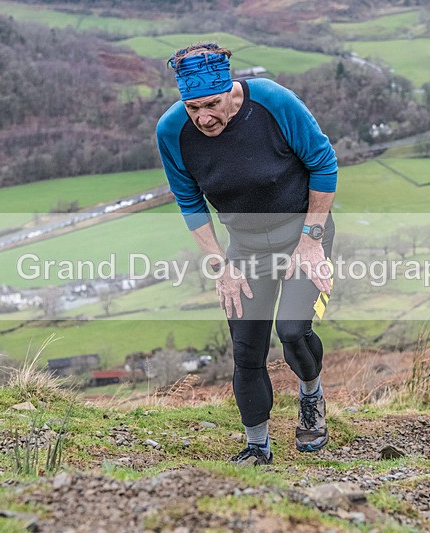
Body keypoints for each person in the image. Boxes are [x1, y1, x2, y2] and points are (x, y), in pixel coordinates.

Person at [156, 43, 337, 465]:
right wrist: (221, 265)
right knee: (246, 349)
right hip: (245, 248)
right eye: (192, 106)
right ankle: (258, 445)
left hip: (303, 236)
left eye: (213, 105)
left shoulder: (273, 102)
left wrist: (311, 241)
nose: (203, 118)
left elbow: (324, 163)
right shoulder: (172, 131)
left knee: (292, 330)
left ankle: (311, 394)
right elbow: (189, 201)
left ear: (230, 92)